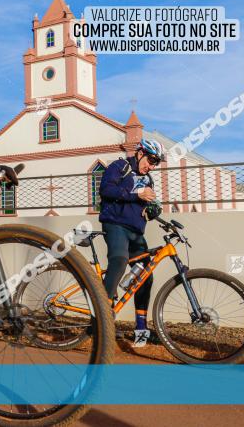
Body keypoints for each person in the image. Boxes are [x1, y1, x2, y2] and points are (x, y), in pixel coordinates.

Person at [98, 138, 164, 348]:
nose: (151, 166)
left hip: (136, 231)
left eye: (156, 163)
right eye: (151, 160)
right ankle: (102, 322)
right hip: (115, 225)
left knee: (146, 275)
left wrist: (153, 209)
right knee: (119, 260)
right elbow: (106, 190)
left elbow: (145, 204)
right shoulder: (120, 167)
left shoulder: (149, 180)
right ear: (140, 153)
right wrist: (137, 194)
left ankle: (141, 331)